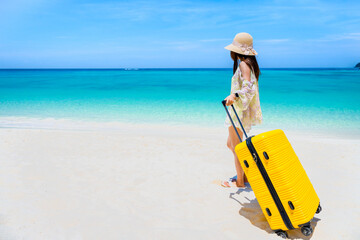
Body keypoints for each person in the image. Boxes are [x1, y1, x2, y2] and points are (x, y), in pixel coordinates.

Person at [222, 32, 262, 188]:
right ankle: (244, 175)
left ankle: (240, 181)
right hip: (240, 109)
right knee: (231, 144)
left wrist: (234, 95)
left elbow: (248, 87)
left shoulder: (244, 64)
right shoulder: (249, 64)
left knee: (237, 148)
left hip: (238, 110)